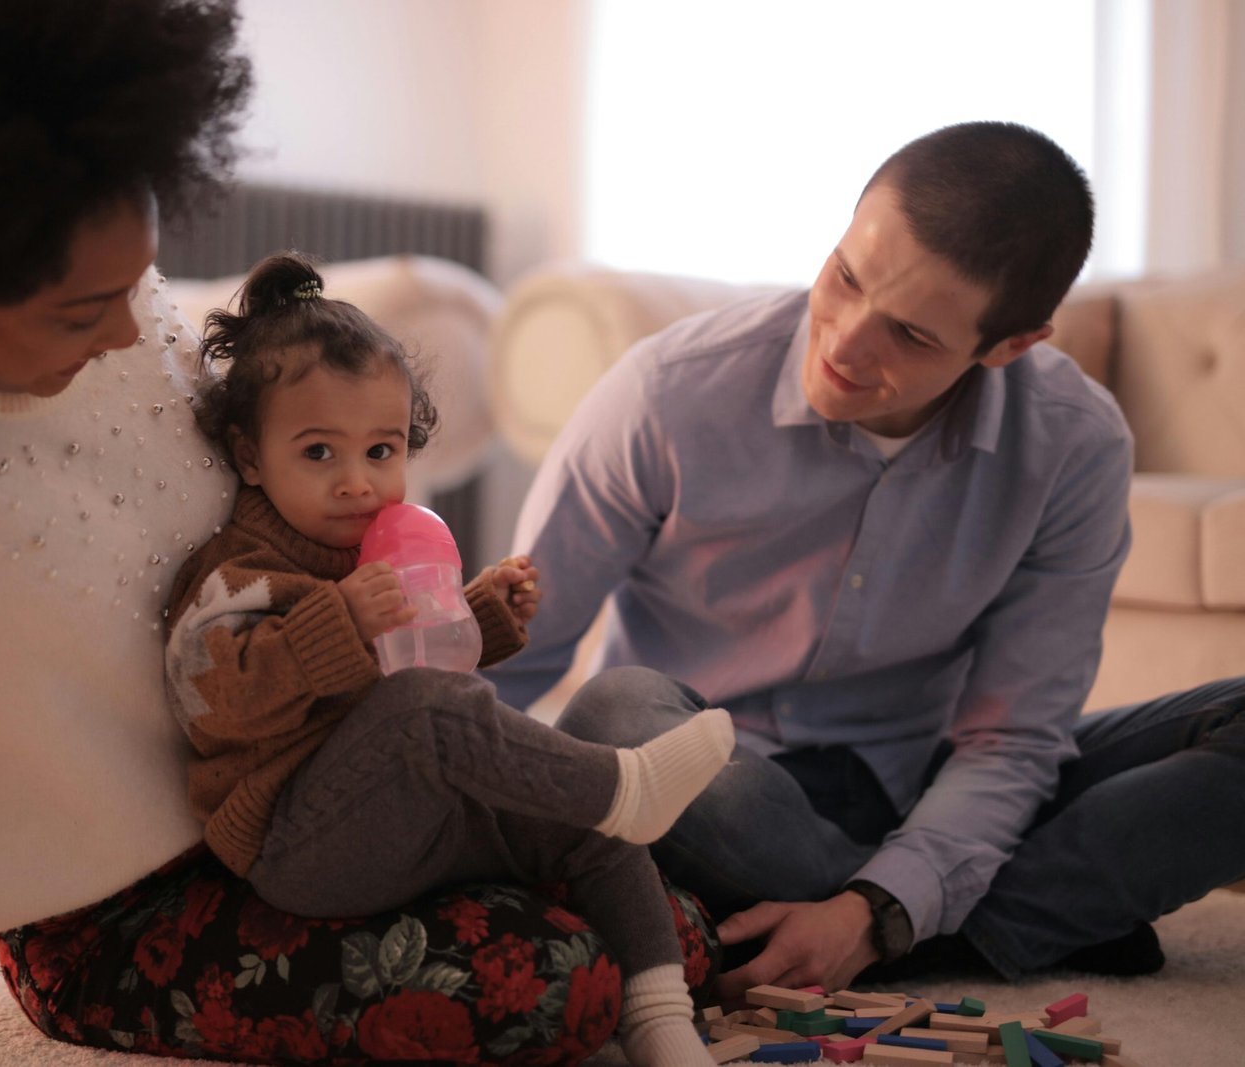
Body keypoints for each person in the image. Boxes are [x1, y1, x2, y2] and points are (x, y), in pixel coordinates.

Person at [0, 3, 722, 1065]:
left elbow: (298, 499)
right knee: (544, 978)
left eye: (138, 281)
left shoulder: (138, 320)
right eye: (85, 309)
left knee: (662, 919)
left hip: (316, 782)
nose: (137, 329)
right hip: (106, 909)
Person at [484, 121, 1245, 997]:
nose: (844, 342)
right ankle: (1006, 911)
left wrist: (879, 906)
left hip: (920, 776)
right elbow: (505, 659)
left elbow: (1009, 739)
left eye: (912, 336)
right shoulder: (664, 394)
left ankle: (898, 928)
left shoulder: (1073, 445)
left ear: (1008, 347)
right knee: (616, 714)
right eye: (844, 277)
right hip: (710, 789)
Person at [164, 251, 736, 1066]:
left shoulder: (377, 548)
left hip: (407, 817)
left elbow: (421, 660)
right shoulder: (235, 574)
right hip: (298, 843)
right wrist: (340, 620)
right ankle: (624, 785)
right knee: (483, 733)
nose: (358, 483)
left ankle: (662, 1024)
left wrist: (485, 614)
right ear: (251, 457)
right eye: (319, 453)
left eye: (382, 451)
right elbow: (217, 698)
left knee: (581, 822)